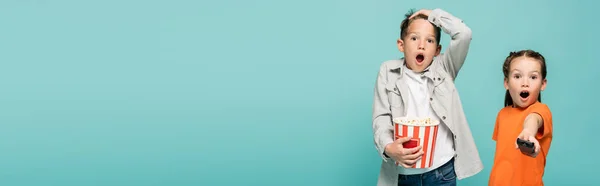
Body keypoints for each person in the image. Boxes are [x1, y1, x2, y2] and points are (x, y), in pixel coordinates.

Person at [371, 8, 483, 186]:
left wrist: (434, 15)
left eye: (429, 40)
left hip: (442, 171)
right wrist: (388, 147)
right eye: (414, 38)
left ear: (437, 50)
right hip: (402, 174)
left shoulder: (444, 68)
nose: (421, 45)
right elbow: (381, 117)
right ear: (401, 44)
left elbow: (464, 34)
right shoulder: (387, 71)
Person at [488, 49, 553, 186]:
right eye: (517, 76)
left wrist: (528, 132)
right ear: (506, 83)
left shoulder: (541, 110)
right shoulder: (502, 114)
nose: (525, 83)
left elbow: (533, 119)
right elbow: (502, 159)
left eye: (533, 77)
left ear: (543, 84)